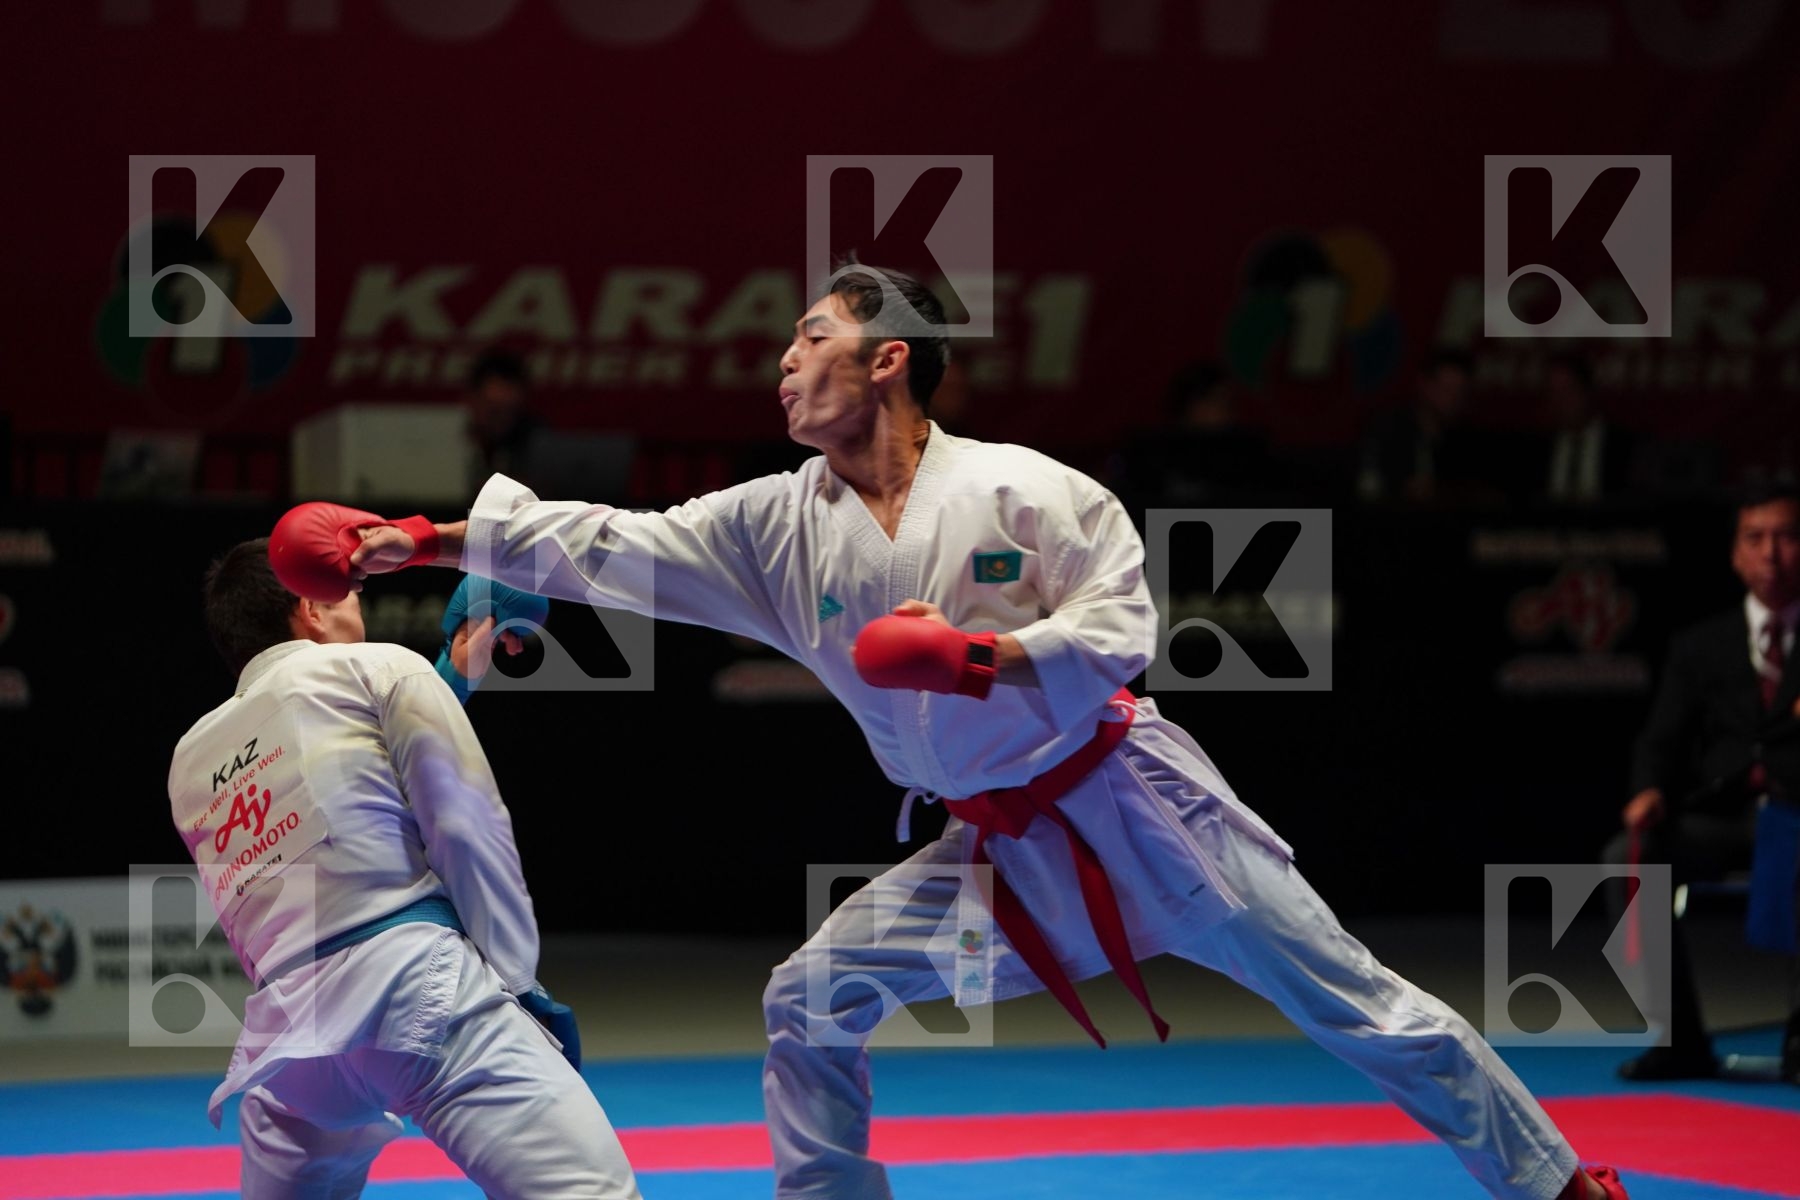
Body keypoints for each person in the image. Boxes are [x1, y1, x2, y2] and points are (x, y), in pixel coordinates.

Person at [331, 261, 1633, 1200]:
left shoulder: (1032, 489)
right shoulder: (776, 526)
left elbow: (1123, 633)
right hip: (999, 851)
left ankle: (1561, 1186)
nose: (782, 363)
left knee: (1369, 1012)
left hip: (1139, 807)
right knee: (809, 997)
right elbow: (612, 543)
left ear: (887, 357)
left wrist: (979, 654)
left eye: (809, 337)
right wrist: (422, 542)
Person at [167, 538, 638, 1198]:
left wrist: (452, 674)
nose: (360, 603)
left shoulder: (191, 758)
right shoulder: (381, 667)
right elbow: (466, 829)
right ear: (309, 605)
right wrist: (519, 985)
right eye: (353, 592)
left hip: (293, 1052)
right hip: (415, 993)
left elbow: (337, 797)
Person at [1603, 482, 1800, 1083]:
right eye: (1755, 539)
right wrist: (1648, 789)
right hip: (1725, 815)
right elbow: (1660, 740)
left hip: (1798, 816)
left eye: (1787, 538)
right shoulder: (1699, 645)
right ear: (1737, 554)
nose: (1770, 553)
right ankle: (1677, 1038)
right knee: (1627, 859)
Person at [1357, 347, 1502, 505]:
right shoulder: (1389, 430)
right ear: (1425, 385)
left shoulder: (1468, 440)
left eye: (1460, 392)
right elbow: (1368, 486)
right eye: (1446, 389)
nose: (1453, 399)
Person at [1532, 352, 1638, 506]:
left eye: (1568, 391)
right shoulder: (1539, 449)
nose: (1560, 402)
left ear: (1588, 391)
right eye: (1553, 394)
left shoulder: (1623, 446)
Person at [465, 347, 545, 494]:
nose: (502, 421)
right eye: (494, 411)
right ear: (472, 401)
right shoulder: (447, 443)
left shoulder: (540, 450)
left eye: (511, 411)